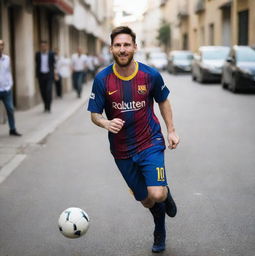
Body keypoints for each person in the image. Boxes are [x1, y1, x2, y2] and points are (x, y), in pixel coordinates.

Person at [87, 26, 180, 253]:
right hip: (121, 151)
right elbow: (94, 114)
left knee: (156, 193)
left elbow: (163, 101)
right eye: (118, 45)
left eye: (127, 44)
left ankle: (160, 226)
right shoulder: (102, 79)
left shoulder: (150, 75)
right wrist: (106, 123)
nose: (122, 49)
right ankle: (158, 205)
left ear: (135, 47)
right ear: (111, 49)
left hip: (150, 142)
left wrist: (171, 130)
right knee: (147, 200)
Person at [0, 39, 22, 136]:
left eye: (2, 45)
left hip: (6, 89)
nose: (0, 47)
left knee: (10, 109)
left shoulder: (7, 58)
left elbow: (8, 72)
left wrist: (10, 84)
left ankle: (12, 129)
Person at [35, 40, 55, 112]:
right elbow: (37, 64)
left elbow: (53, 64)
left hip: (49, 75)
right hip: (41, 75)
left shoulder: (51, 54)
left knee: (48, 91)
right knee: (43, 91)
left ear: (47, 46)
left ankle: (48, 107)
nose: (43, 47)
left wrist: (54, 74)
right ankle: (45, 105)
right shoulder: (37, 54)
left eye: (44, 46)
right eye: (42, 46)